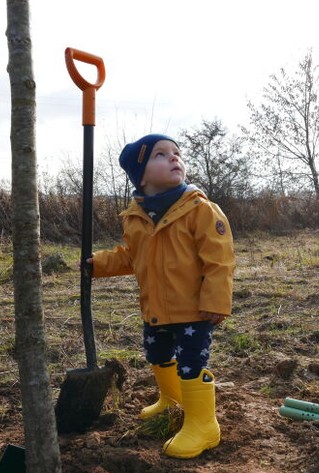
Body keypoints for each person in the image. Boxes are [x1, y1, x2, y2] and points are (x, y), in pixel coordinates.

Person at [87, 133, 235, 459]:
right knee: (157, 355)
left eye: (176, 153)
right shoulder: (136, 217)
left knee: (191, 365)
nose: (174, 159)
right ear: (140, 175)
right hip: (155, 309)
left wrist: (215, 301)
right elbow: (130, 257)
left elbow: (219, 260)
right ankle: (172, 401)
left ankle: (203, 425)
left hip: (194, 311)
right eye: (160, 154)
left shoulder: (201, 210)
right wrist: (98, 264)